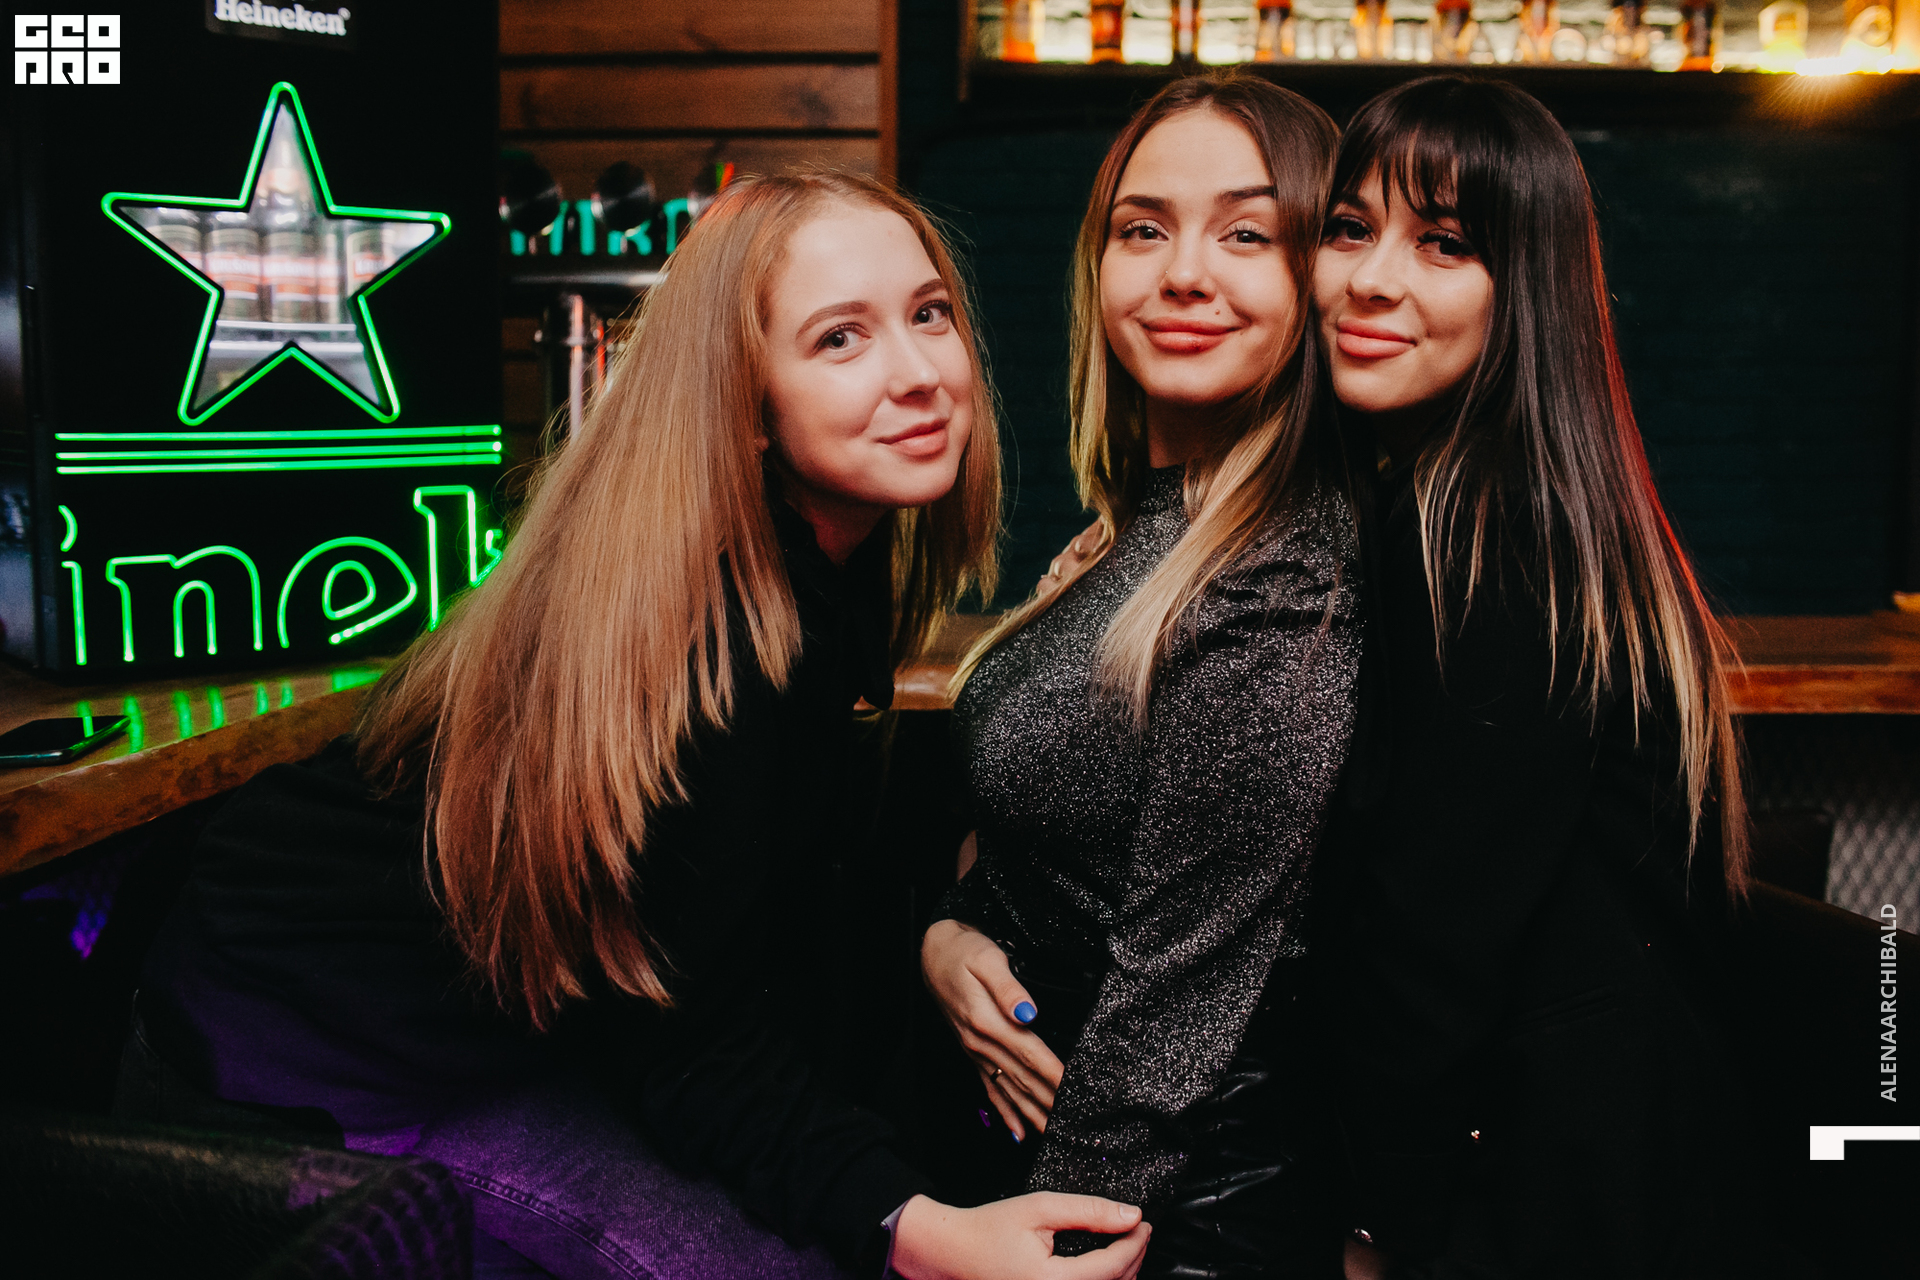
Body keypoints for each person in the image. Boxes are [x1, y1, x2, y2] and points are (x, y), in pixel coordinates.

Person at [117, 170, 1155, 1280]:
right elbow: (692, 1044)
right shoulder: (701, 638)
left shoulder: (819, 561)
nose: (917, 373)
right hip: (318, 1063)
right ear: (744, 401)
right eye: (839, 338)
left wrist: (943, 924)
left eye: (928, 313)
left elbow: (797, 841)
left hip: (528, 1025)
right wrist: (926, 1229)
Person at [1306, 76, 1753, 1278]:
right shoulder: (1487, 499)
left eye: (1444, 243)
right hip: (1586, 1147)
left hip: (1550, 1188)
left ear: (1527, 291)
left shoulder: (1493, 535)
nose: (1371, 279)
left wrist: (1369, 1225)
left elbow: (1429, 944)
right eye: (1350, 227)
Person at [917, 72, 1357, 1278]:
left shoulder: (1280, 579)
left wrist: (1055, 1240)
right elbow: (1048, 843)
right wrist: (946, 935)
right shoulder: (1141, 533)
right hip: (1054, 1177)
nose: (1183, 273)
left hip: (1165, 1218)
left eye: (1248, 233)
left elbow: (1176, 999)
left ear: (1319, 273)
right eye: (1144, 228)